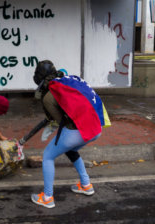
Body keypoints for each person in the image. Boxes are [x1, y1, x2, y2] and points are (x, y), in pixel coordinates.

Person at [31, 60, 110, 208]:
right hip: (97, 127)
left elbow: (60, 121)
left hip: (79, 130)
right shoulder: (69, 79)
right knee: (71, 150)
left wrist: (51, 127)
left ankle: (47, 197)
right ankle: (86, 185)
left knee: (48, 156)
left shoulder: (48, 96)